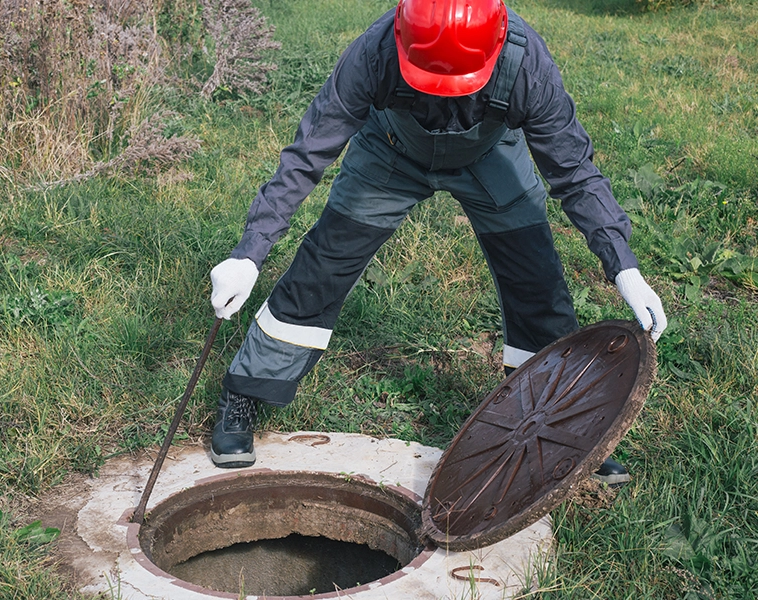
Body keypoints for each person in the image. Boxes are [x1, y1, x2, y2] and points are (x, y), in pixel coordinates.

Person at [206, 0, 666, 486]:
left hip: (489, 156)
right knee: (324, 263)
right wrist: (248, 254)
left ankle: (563, 429)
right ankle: (245, 393)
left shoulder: (528, 63)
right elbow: (307, 154)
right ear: (403, 41)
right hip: (390, 151)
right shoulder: (373, 53)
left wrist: (624, 267)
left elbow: (573, 171)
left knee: (537, 280)